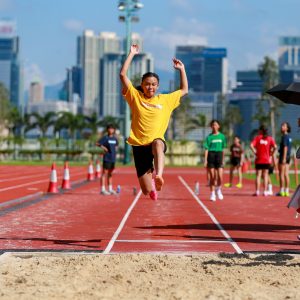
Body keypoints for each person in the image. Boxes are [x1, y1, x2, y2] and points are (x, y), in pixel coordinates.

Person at [119, 44, 188, 200]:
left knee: (158, 142)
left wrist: (182, 69)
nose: (150, 87)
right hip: (138, 145)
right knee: (145, 190)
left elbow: (184, 90)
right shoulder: (135, 97)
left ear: (157, 86)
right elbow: (123, 75)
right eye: (147, 84)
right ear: (142, 85)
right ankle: (151, 183)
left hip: (155, 143)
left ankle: (159, 175)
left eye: (153, 84)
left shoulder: (165, 100)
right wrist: (132, 53)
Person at [250, 125, 277, 196]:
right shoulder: (270, 138)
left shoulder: (258, 138)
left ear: (261, 130)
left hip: (259, 159)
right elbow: (275, 147)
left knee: (258, 175)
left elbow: (251, 145)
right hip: (266, 160)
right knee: (265, 175)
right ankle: (265, 191)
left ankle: (257, 191)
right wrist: (271, 153)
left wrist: (255, 152)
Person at [204, 120, 227, 201]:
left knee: (220, 176)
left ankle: (218, 189)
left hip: (219, 155)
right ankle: (212, 193)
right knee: (212, 176)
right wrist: (205, 160)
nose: (214, 126)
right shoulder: (209, 137)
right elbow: (206, 149)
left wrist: (223, 159)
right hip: (211, 155)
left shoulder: (222, 137)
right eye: (213, 125)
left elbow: (224, 149)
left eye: (215, 125)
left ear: (218, 126)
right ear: (211, 127)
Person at [96, 124, 119, 195]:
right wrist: (103, 148)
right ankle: (103, 190)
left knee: (110, 174)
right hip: (107, 158)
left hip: (113, 158)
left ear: (114, 130)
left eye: (112, 129)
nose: (111, 130)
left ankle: (110, 189)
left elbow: (116, 146)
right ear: (107, 130)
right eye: (109, 128)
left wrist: (115, 151)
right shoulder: (105, 138)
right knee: (104, 173)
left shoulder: (115, 138)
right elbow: (97, 143)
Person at [276, 122, 292, 197]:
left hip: (284, 157)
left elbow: (285, 147)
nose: (282, 127)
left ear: (287, 128)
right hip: (288, 156)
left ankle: (282, 190)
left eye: (284, 126)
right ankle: (287, 191)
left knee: (281, 174)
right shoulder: (289, 137)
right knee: (286, 174)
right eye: (281, 125)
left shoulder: (285, 136)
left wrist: (284, 158)